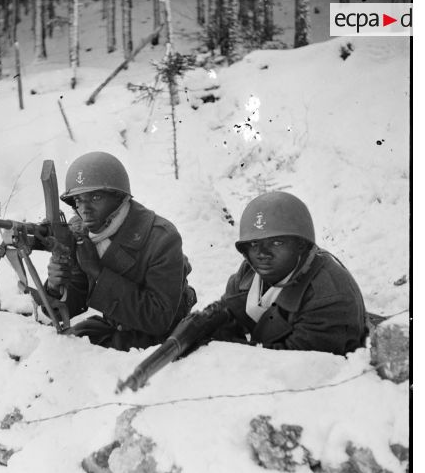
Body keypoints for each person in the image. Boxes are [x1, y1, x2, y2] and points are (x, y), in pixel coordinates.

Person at [44, 151, 196, 351]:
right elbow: (73, 304)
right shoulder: (81, 232)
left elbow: (159, 318)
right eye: (79, 200)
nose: (85, 209)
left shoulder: (162, 237)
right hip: (116, 326)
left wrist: (97, 272)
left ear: (119, 198)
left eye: (95, 197)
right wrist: (56, 287)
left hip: (162, 338)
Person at [210, 191, 367, 355]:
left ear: (300, 245)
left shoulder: (328, 295)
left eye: (276, 242)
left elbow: (295, 362)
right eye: (254, 243)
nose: (262, 253)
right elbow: (226, 312)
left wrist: (227, 348)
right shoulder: (250, 272)